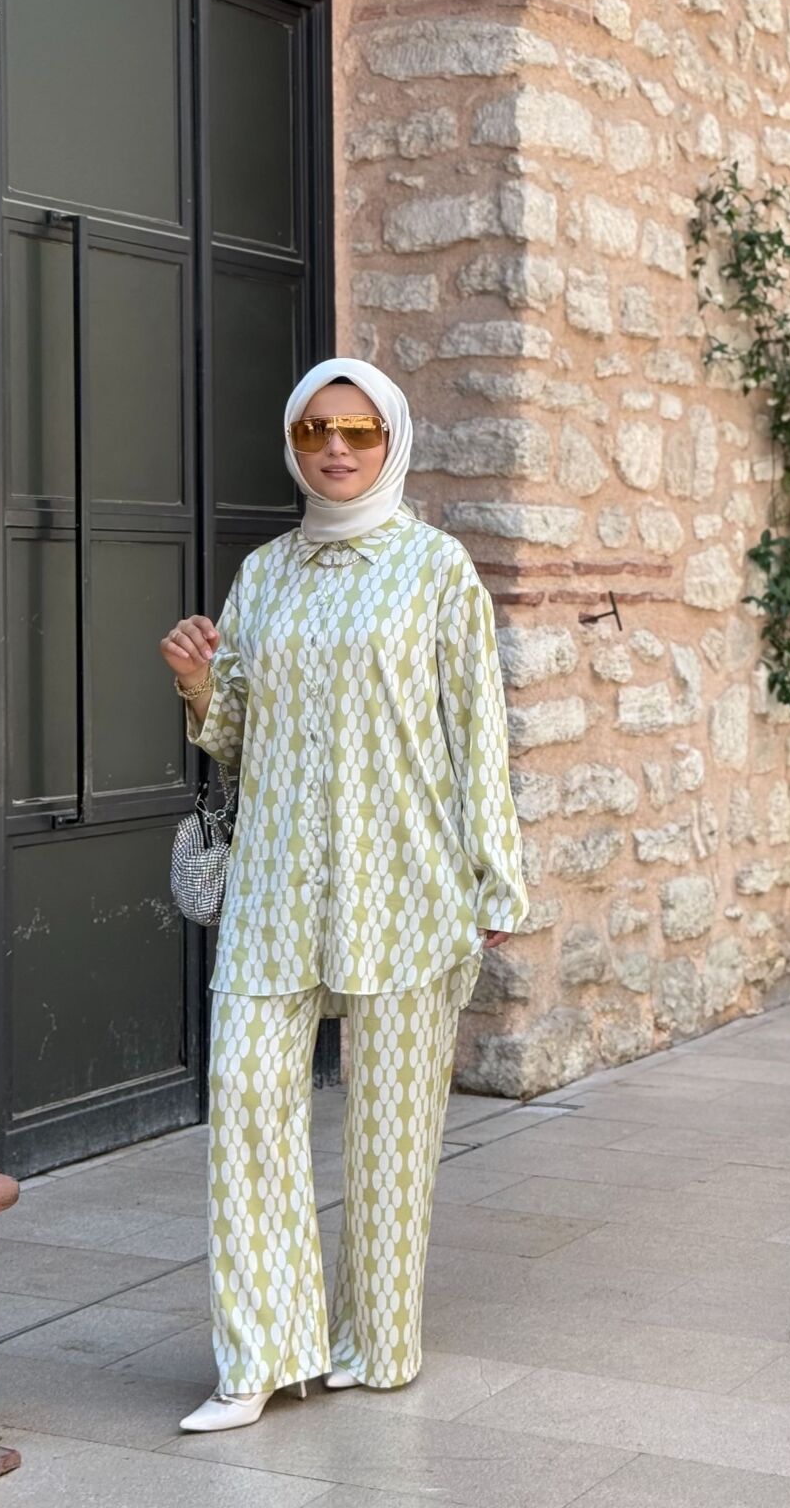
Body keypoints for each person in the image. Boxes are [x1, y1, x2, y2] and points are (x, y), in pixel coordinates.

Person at [158, 356, 527, 1433]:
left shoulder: (437, 571)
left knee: (392, 1132)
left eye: (358, 431)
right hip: (276, 885)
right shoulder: (264, 574)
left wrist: (495, 877)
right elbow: (238, 739)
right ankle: (261, 1358)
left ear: (390, 441)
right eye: (315, 429)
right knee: (246, 1097)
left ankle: (376, 1342)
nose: (334, 448)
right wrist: (198, 685)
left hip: (406, 883)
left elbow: (477, 733)